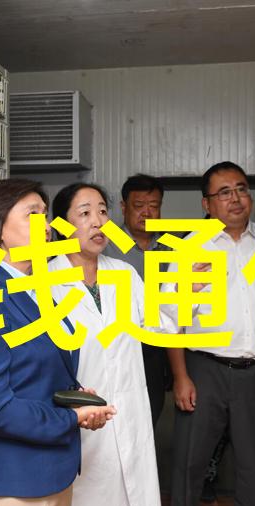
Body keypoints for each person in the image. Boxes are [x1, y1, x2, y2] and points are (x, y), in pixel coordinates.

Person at [0, 178, 116, 506]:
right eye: (32, 214)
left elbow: (39, 373)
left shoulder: (37, 292)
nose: (46, 225)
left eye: (45, 213)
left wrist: (76, 397)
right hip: (12, 486)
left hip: (54, 473)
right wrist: (70, 419)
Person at [166, 162, 255, 506]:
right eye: (224, 192)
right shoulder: (190, 247)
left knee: (253, 466)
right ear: (206, 204)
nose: (235, 198)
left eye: (241, 189)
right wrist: (180, 377)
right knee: (189, 464)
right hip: (203, 369)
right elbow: (171, 318)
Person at [48, 182, 162, 506]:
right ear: (61, 226)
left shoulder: (124, 274)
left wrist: (187, 290)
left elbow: (159, 325)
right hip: (81, 417)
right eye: (85, 213)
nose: (98, 221)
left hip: (129, 411)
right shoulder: (45, 282)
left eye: (102, 211)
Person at [105, 174, 170, 427]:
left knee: (151, 413)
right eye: (139, 205)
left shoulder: (169, 246)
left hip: (153, 348)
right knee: (112, 416)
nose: (147, 213)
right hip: (114, 344)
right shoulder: (106, 241)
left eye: (154, 206)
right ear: (123, 207)